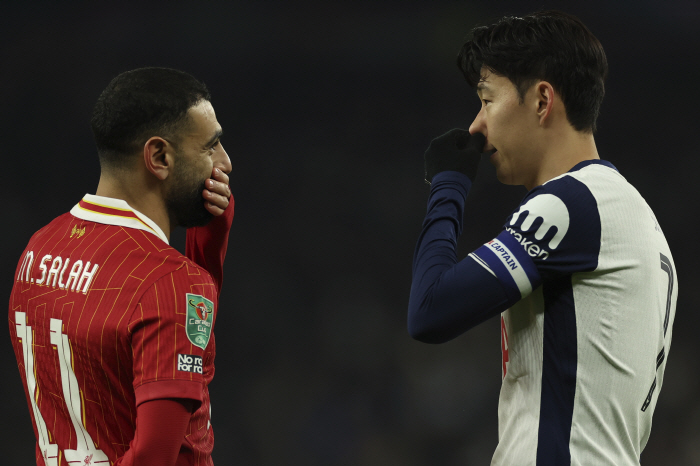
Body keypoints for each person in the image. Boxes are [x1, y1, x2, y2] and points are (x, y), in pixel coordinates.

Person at [408, 11, 677, 465]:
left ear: (541, 100)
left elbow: (429, 310)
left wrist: (449, 186)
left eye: (487, 100)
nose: (476, 126)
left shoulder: (573, 203)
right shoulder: (637, 217)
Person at [9, 67, 234, 466]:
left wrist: (206, 242)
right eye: (210, 147)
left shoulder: (38, 249)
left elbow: (181, 345)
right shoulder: (172, 283)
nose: (225, 163)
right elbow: (152, 457)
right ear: (159, 156)